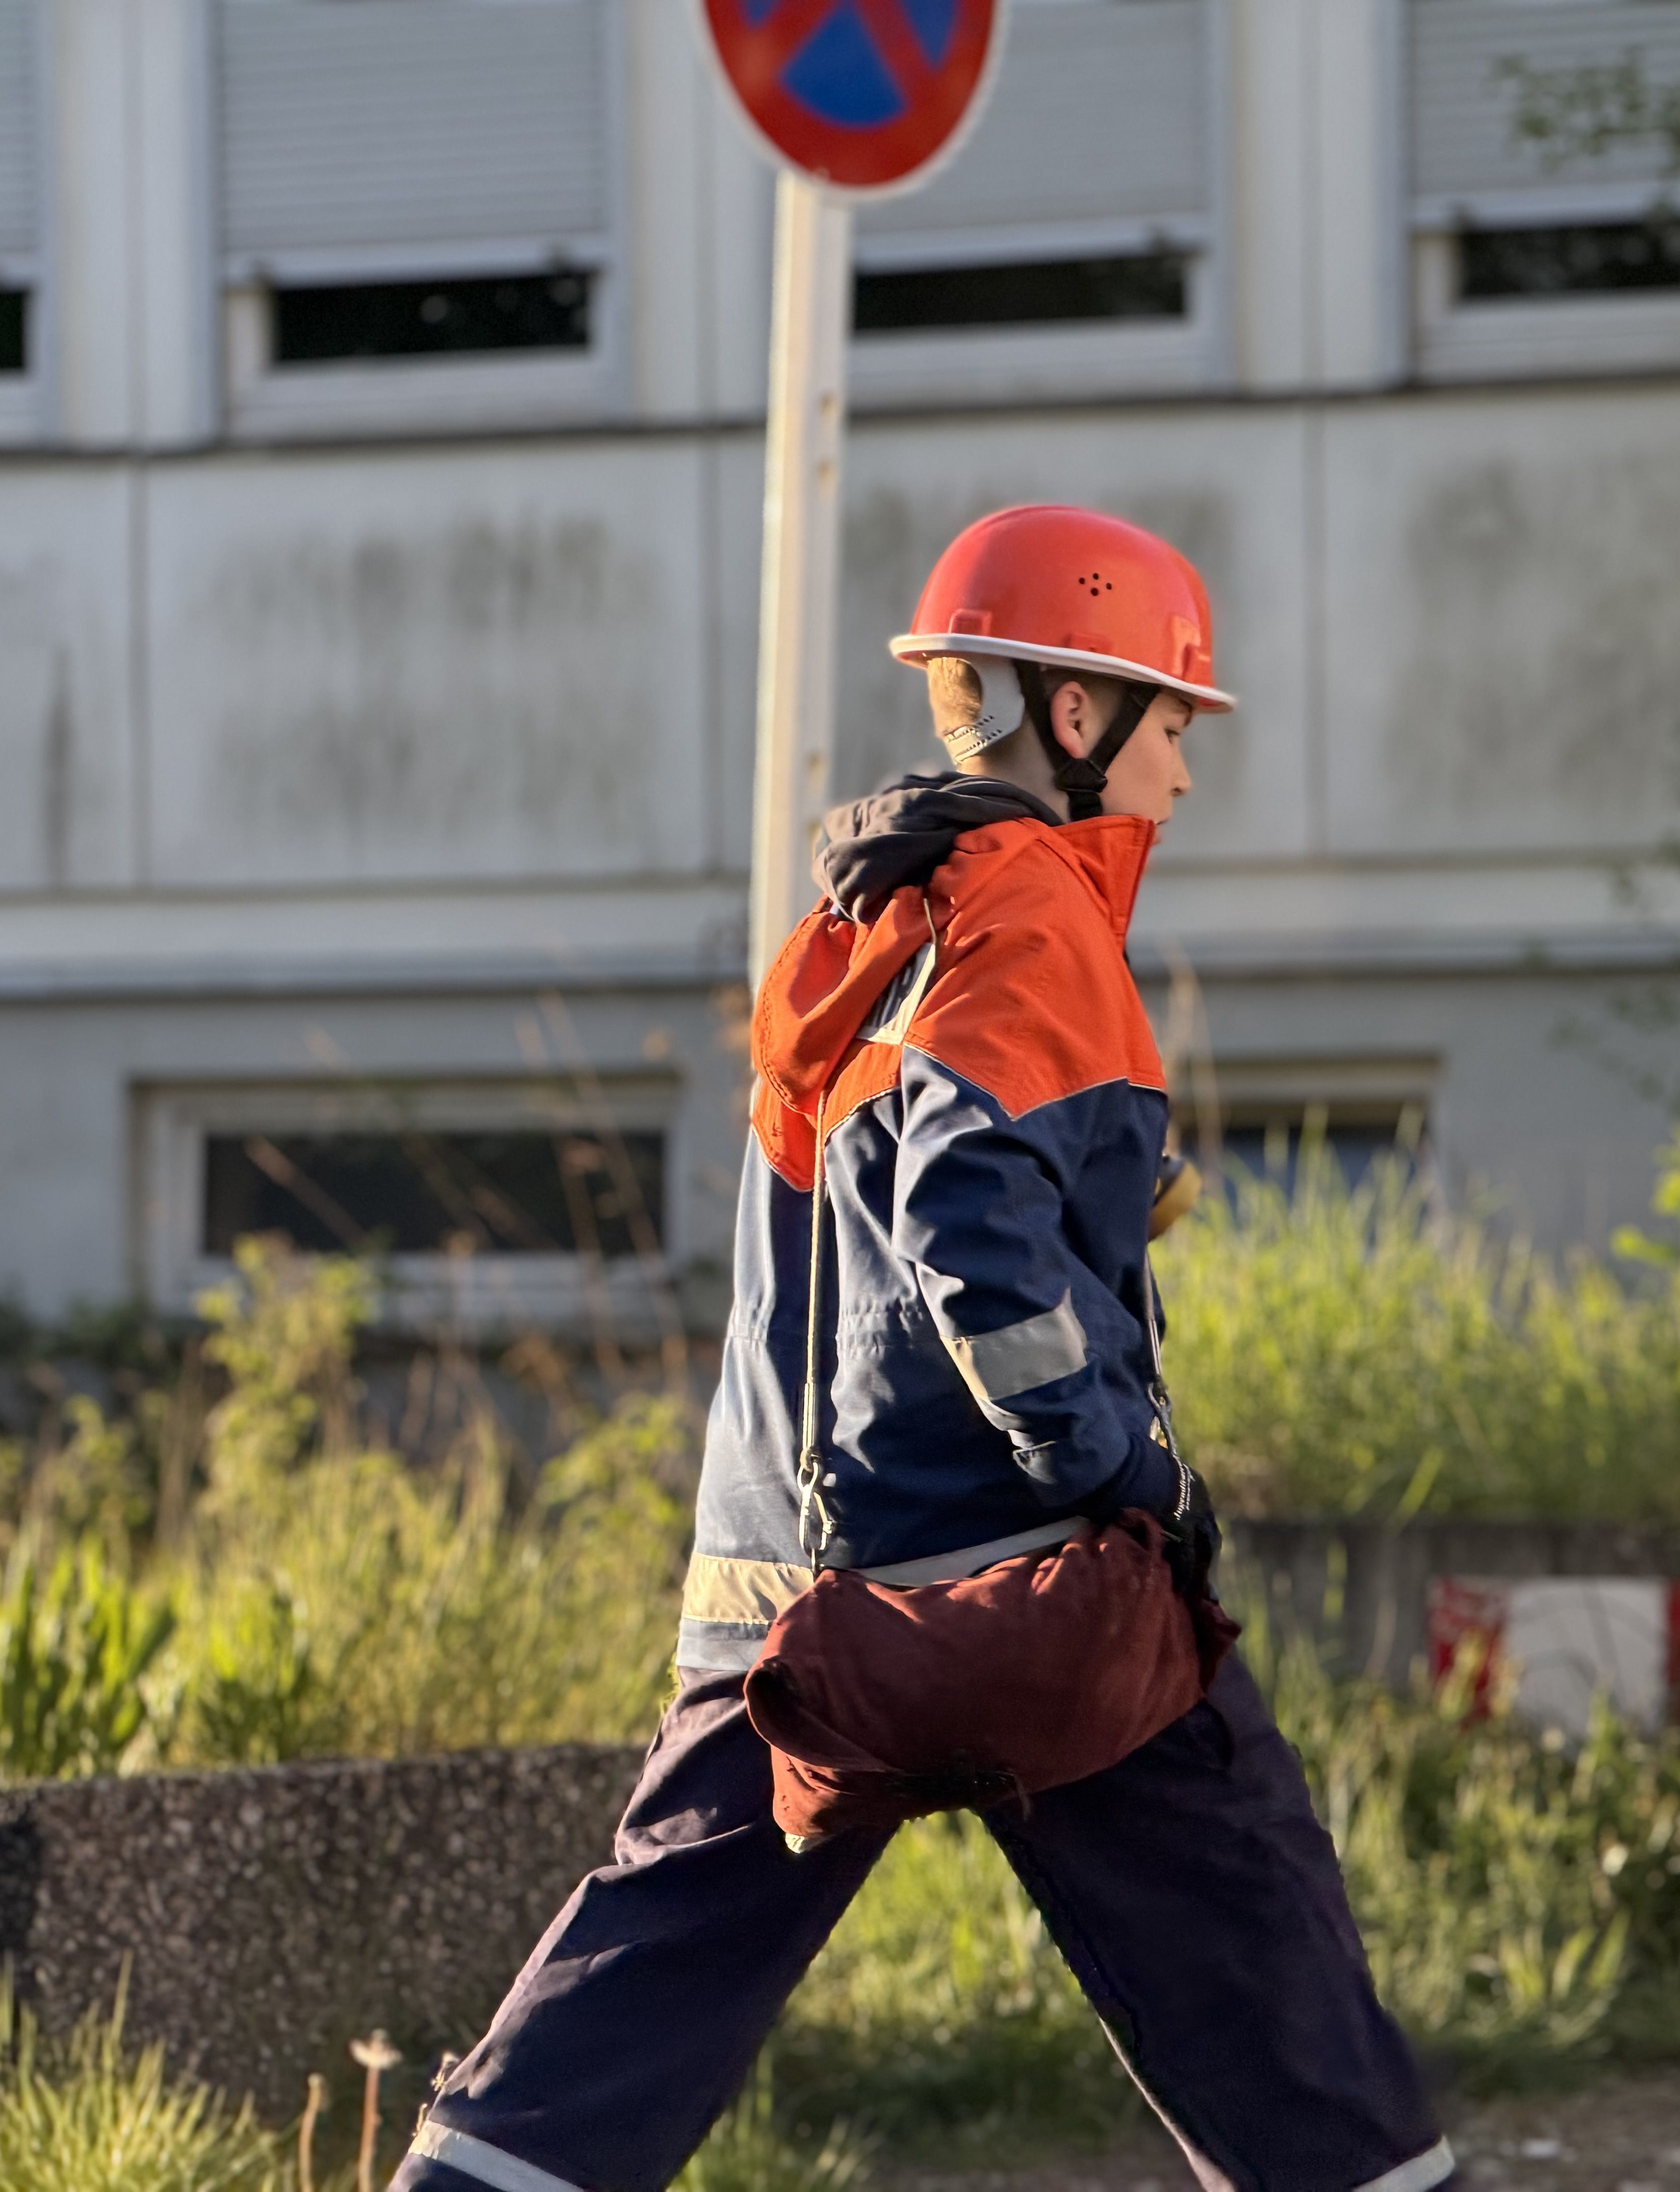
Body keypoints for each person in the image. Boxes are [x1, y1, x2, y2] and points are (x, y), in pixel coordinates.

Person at [394, 507, 1451, 2192]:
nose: (1184, 773)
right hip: (1008, 1572)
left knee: (639, 1985)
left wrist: (1109, 1179)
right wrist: (1123, 1467)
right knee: (1262, 1960)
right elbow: (965, 1214)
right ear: (1077, 712)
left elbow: (875, 1194)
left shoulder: (867, 918)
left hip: (778, 1588)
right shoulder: (1038, 912)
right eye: (1172, 723)